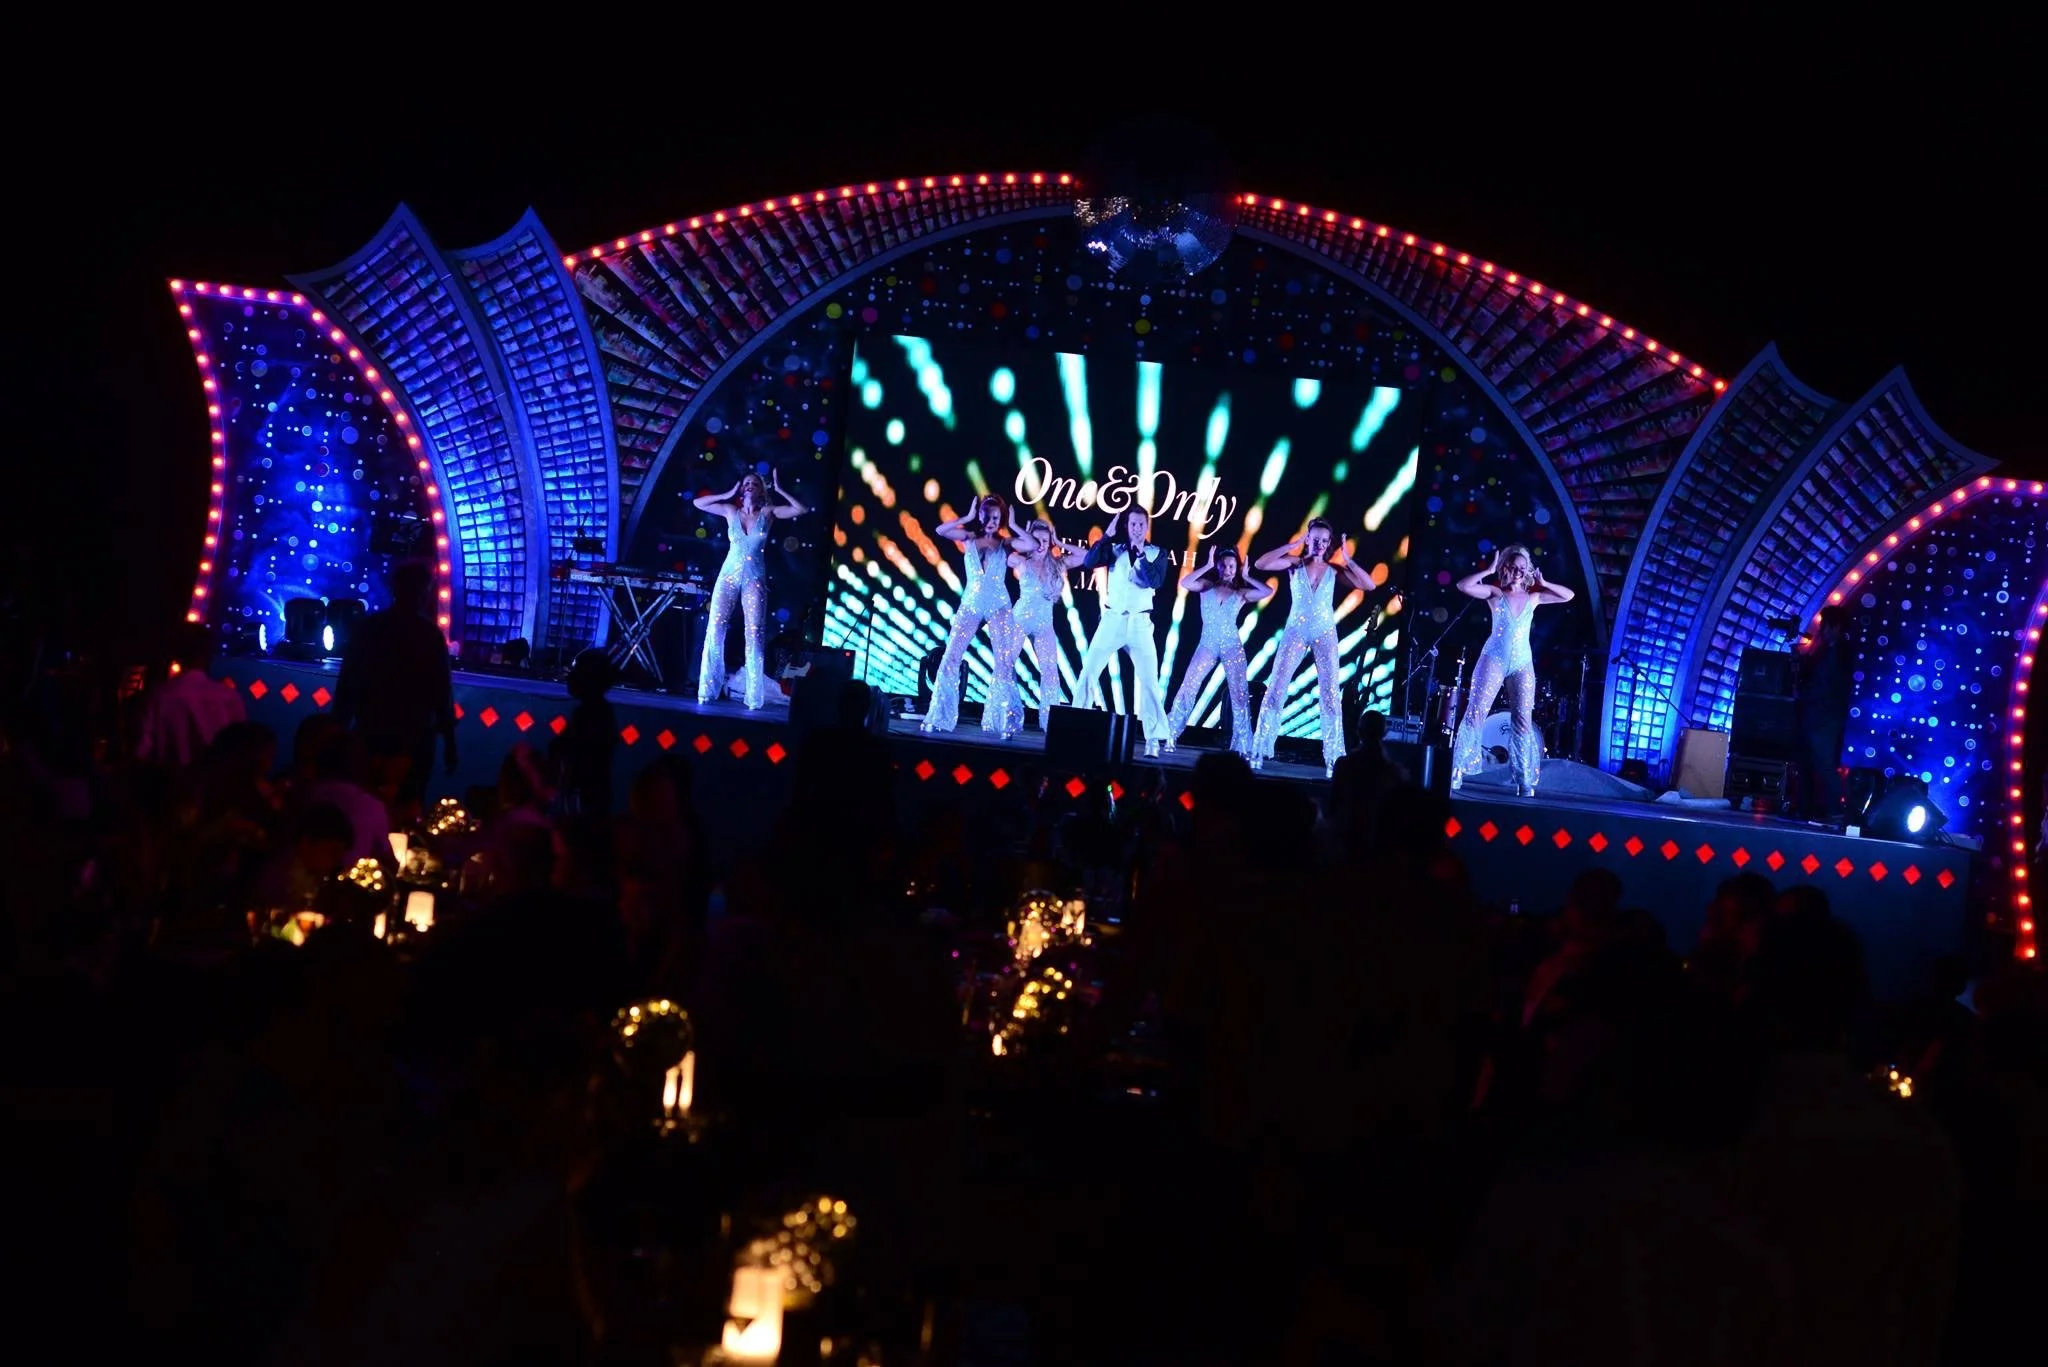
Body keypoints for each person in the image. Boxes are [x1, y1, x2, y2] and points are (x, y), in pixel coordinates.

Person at [1250, 519, 1377, 778]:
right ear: (1308, 539)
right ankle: (1260, 748)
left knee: (1330, 693)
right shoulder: (1294, 564)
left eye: (1324, 540)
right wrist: (1292, 546)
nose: (1319, 544)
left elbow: (1370, 585)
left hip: (1324, 633)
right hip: (1295, 631)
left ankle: (1334, 757)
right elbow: (1261, 564)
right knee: (1276, 686)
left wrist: (1348, 559)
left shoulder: (1334, 569)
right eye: (1315, 539)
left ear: (1329, 544)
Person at [1450, 543, 1574, 797]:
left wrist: (1544, 582)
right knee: (1476, 712)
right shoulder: (1495, 593)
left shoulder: (1534, 597)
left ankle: (1524, 778)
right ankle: (1457, 769)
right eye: (1514, 567)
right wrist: (1488, 570)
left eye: (1522, 568)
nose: (1518, 572)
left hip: (1522, 663)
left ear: (1527, 571)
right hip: (1494, 658)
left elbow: (1568, 595)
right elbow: (1463, 586)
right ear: (1506, 567)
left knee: (1523, 720)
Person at [332, 561, 456, 804]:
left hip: (372, 729)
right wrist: (450, 742)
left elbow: (348, 683)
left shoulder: (371, 628)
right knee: (407, 803)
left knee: (363, 799)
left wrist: (338, 730)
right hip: (415, 736)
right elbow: (442, 691)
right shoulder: (429, 634)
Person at [695, 469, 805, 710]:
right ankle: (707, 690)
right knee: (715, 628)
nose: (749, 486)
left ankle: (753, 698)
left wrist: (780, 489)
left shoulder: (768, 513)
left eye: (754, 484)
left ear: (761, 490)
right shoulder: (730, 511)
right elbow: (698, 503)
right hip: (728, 576)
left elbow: (800, 509)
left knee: (754, 634)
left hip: (754, 578)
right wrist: (727, 493)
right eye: (746, 483)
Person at [1076, 506, 1172, 757]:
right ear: (1126, 526)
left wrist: (1141, 557)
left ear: (1146, 526)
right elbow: (1089, 562)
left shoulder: (1157, 553)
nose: (1137, 529)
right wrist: (1106, 536)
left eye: (1141, 524)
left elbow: (1155, 581)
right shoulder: (1115, 549)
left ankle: (1153, 738)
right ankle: (1076, 726)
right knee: (1089, 671)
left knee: (1149, 681)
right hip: (1113, 619)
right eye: (1133, 524)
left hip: (1140, 623)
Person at [921, 492, 1020, 736]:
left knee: (1003, 662)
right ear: (980, 516)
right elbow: (941, 530)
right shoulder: (969, 537)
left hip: (998, 605)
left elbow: (1030, 545)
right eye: (987, 516)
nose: (991, 521)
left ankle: (1002, 723)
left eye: (996, 517)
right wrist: (966, 517)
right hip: (972, 603)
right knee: (950, 657)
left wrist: (1014, 525)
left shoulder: (1005, 543)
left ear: (1001, 518)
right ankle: (940, 717)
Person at [1164, 542, 1272, 756]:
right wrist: (1207, 565)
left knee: (1239, 694)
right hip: (1208, 644)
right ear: (1218, 566)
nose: (1228, 569)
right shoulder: (1207, 586)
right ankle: (1170, 734)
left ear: (1237, 568)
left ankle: (1242, 746)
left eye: (1232, 566)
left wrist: (1247, 576)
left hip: (1232, 645)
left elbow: (1267, 591)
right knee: (1188, 686)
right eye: (1224, 565)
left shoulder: (1241, 592)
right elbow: (1185, 582)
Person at [134, 622, 246, 769]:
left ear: (176, 653)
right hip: (215, 779)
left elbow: (142, 749)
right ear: (209, 654)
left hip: (169, 779)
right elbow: (242, 747)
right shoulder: (228, 696)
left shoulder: (158, 695)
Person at [1000, 513, 1068, 733]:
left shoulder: (1057, 565)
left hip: (1044, 624)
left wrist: (1059, 543)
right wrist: (1019, 531)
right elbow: (1002, 548)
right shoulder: (1021, 560)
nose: (1041, 545)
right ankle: (1008, 716)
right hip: (1021, 618)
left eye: (1045, 541)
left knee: (1050, 672)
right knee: (1006, 664)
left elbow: (1085, 556)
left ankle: (1049, 723)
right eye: (1036, 540)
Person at [1796, 604, 1854, 821]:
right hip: (1819, 716)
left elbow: (1826, 685)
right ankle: (1811, 809)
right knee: (1811, 764)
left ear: (1836, 627)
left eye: (1825, 626)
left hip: (1825, 718)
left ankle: (1835, 811)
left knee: (1824, 764)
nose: (1821, 631)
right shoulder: (1830, 651)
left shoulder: (1838, 653)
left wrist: (1803, 694)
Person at [553, 648, 618, 819]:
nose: (570, 678)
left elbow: (578, 757)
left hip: (584, 801)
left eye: (576, 672)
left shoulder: (590, 714)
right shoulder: (597, 711)